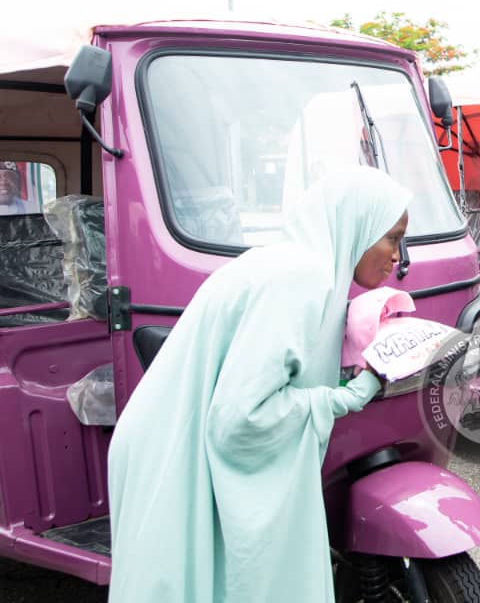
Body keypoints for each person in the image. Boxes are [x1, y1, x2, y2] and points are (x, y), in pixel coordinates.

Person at [107, 167, 409, 602]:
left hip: (171, 439)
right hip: (175, 455)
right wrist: (345, 396)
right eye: (392, 237)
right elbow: (240, 419)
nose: (397, 256)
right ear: (356, 226)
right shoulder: (300, 277)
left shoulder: (297, 264)